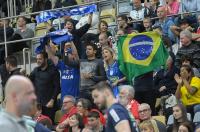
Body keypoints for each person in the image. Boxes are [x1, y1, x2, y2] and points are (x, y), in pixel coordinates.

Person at [29, 51, 60, 123]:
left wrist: (52, 100)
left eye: (40, 59)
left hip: (49, 104)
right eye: (37, 59)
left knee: (48, 124)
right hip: (38, 105)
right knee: (38, 124)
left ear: (45, 59)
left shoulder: (53, 71)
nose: (38, 61)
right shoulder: (35, 70)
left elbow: (57, 87)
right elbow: (28, 80)